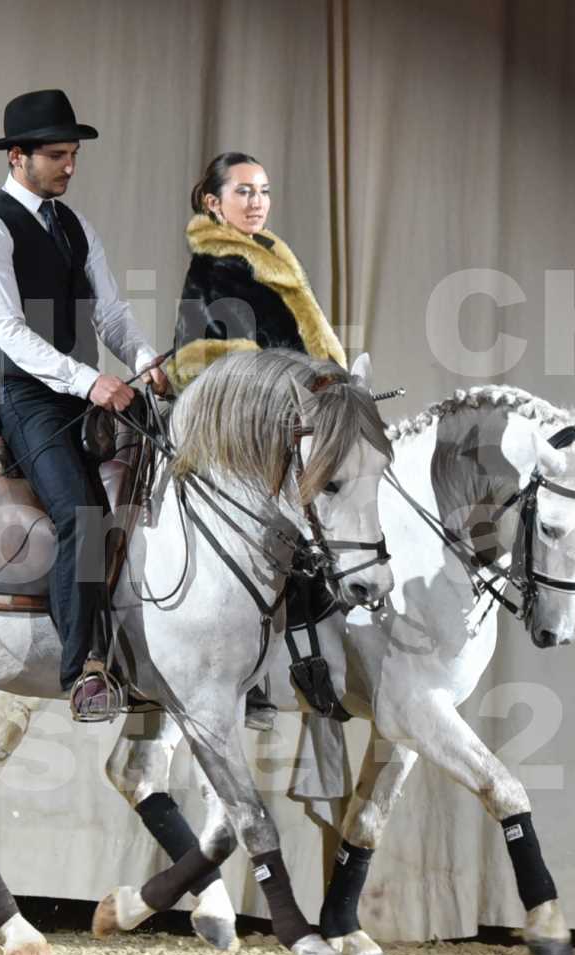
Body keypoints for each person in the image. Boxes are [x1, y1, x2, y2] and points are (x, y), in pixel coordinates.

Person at [0, 89, 166, 721]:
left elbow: (111, 313)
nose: (69, 166)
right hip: (30, 398)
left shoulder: (76, 226)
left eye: (72, 154)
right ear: (17, 157)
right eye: (56, 155)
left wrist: (147, 360)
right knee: (80, 511)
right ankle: (86, 670)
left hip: (86, 391)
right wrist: (90, 381)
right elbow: (11, 334)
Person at [170, 152, 349, 729]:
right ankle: (273, 669)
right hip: (237, 427)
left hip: (292, 411)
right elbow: (233, 367)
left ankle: (317, 655)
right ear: (212, 202)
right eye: (244, 192)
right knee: (294, 522)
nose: (257, 203)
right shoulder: (218, 265)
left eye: (264, 191)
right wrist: (304, 390)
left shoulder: (266, 256)